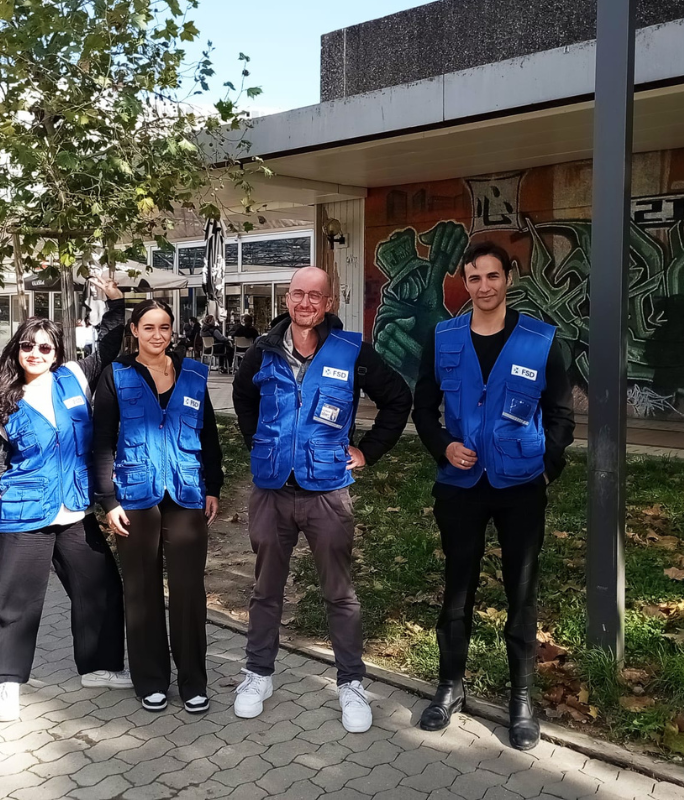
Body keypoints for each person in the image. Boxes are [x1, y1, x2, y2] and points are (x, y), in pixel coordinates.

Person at [231, 266, 412, 733]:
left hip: (327, 490)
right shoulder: (263, 350)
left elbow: (397, 400)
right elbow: (242, 396)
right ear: (287, 300)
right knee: (265, 589)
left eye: (316, 296)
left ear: (329, 303)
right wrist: (259, 440)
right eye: (298, 295)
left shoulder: (353, 352)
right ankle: (258, 673)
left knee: (339, 592)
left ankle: (351, 682)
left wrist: (367, 451)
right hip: (272, 489)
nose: (306, 303)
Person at [411, 241, 574, 750]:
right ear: (465, 281)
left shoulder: (542, 341)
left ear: (509, 278)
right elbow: (423, 409)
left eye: (493, 276)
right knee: (457, 589)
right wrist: (444, 447)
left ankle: (521, 700)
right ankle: (450, 685)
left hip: (520, 487)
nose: (484, 287)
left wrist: (547, 469)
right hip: (460, 488)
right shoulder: (443, 338)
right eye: (474, 278)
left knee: (520, 592)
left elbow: (561, 414)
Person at [0, 275, 132, 723]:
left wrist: (117, 300)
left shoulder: (74, 379)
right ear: (17, 350)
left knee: (99, 585)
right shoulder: (5, 398)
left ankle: (99, 666)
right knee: (15, 601)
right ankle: (4, 683)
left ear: (57, 352)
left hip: (74, 506)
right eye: (28, 346)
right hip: (24, 512)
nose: (36, 354)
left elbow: (112, 337)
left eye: (45, 347)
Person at [91, 299, 223, 714]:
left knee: (188, 591)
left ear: (172, 331)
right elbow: (101, 442)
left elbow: (210, 438)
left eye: (164, 327)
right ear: (134, 330)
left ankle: (193, 681)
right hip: (134, 495)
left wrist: (214, 487)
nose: (157, 335)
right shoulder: (117, 375)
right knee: (142, 590)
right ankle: (150, 679)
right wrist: (108, 501)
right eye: (148, 327)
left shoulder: (194, 374)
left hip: (186, 492)